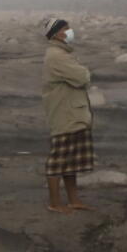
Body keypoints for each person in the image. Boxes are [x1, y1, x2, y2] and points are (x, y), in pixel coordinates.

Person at [42, 17, 95, 214]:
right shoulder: (57, 56)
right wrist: (84, 72)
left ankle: (73, 200)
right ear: (56, 33)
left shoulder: (61, 54)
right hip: (65, 113)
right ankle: (55, 203)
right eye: (66, 28)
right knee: (59, 159)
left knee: (70, 160)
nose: (70, 31)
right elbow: (83, 77)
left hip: (71, 111)